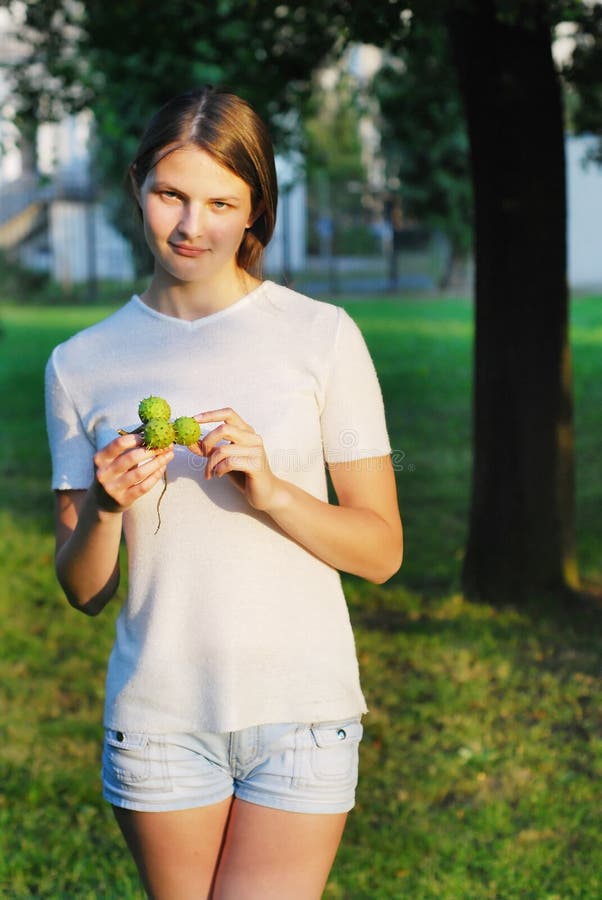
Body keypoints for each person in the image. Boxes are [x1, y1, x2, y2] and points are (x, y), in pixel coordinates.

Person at [45, 85, 403, 900]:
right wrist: (105, 508)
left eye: (219, 202)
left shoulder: (323, 338)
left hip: (304, 715)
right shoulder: (80, 362)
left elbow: (381, 552)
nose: (190, 225)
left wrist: (271, 488)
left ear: (254, 211)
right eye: (170, 193)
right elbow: (83, 590)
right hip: (159, 720)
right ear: (138, 184)